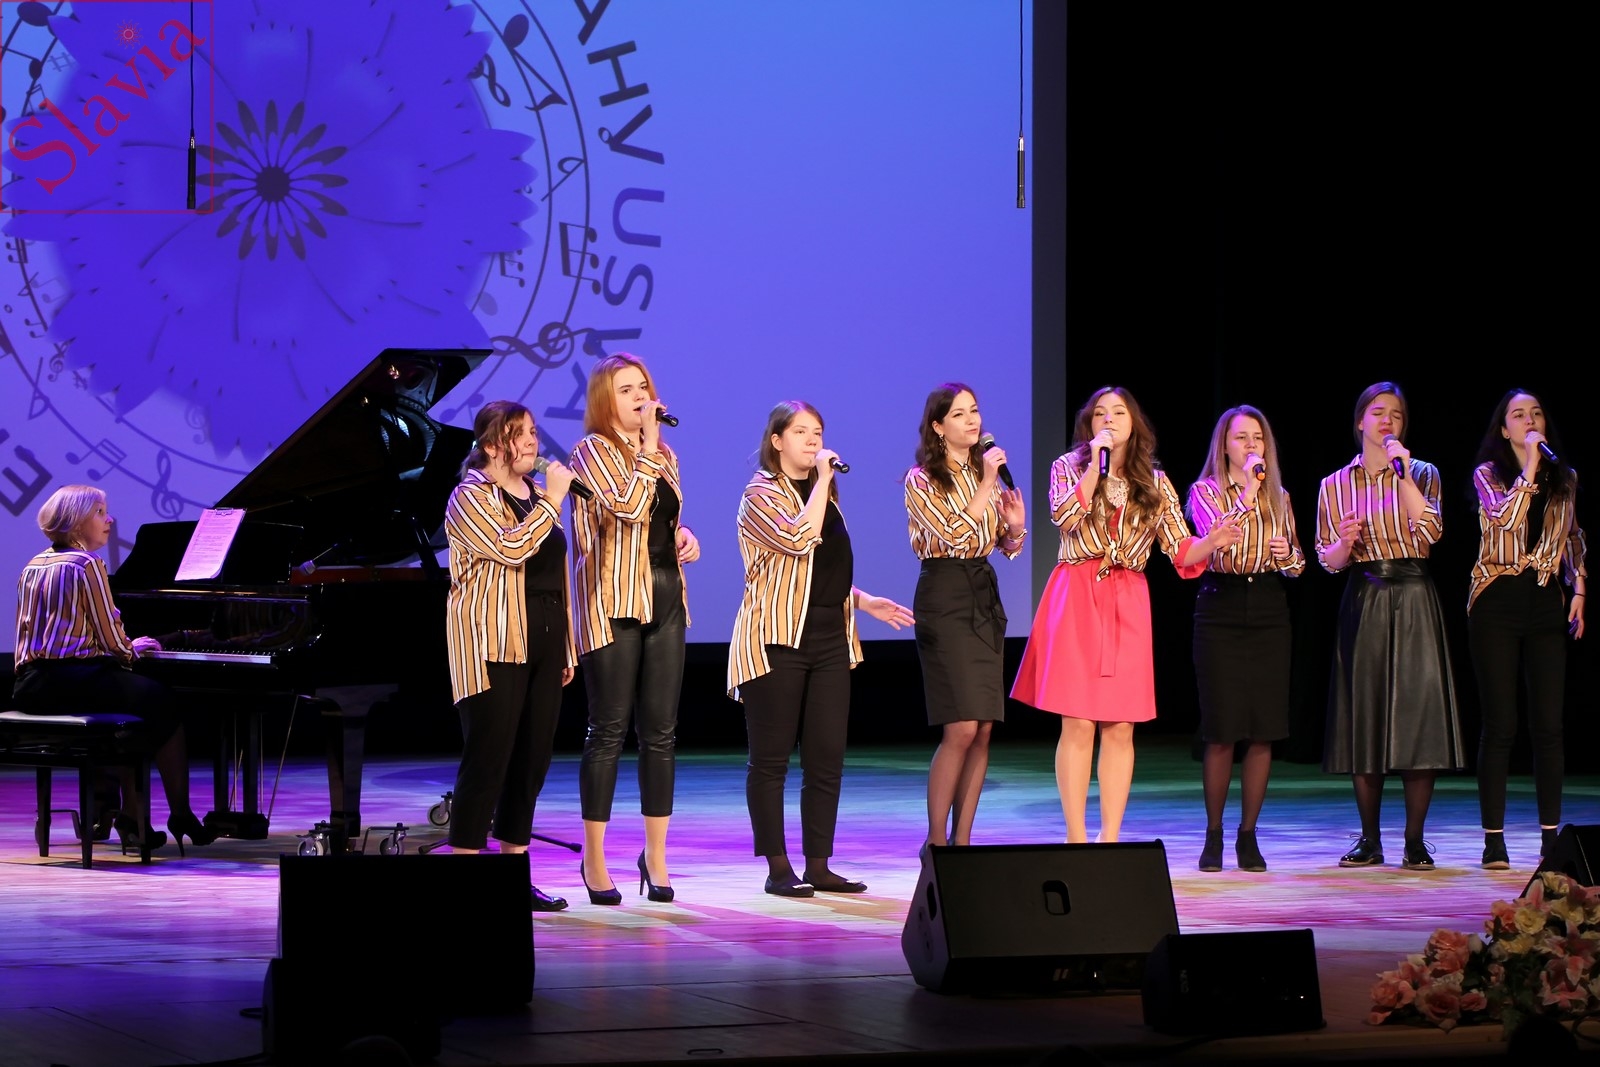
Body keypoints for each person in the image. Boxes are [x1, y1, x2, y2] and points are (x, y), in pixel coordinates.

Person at [1011, 386, 1235, 844]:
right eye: (1100, 414)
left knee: (1120, 725)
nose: (1109, 420)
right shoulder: (1068, 467)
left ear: (1134, 424)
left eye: (1118, 412)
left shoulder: (1155, 481)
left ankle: (1109, 838)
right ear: (1089, 425)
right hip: (1076, 594)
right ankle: (1076, 837)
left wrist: (1211, 542)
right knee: (1077, 721)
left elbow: (1180, 549)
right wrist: (1095, 467)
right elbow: (1064, 516)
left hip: (1126, 598)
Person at [730, 401, 914, 896]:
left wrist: (864, 600)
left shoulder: (822, 496)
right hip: (777, 639)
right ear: (777, 441)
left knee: (826, 756)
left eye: (818, 432)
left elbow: (818, 571)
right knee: (770, 760)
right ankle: (778, 867)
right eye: (801, 432)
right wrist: (824, 481)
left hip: (831, 636)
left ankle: (818, 864)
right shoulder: (760, 494)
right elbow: (798, 540)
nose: (813, 440)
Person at [12, 485, 216, 854]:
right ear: (77, 522)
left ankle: (132, 815)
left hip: (30, 685)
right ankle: (179, 813)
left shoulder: (34, 565)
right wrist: (131, 649)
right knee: (164, 703)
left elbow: (26, 633)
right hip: (74, 679)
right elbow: (111, 636)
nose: (109, 519)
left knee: (131, 709)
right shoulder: (87, 564)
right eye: (100, 512)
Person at [1315, 381, 1465, 871]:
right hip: (1365, 595)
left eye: (1396, 414)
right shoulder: (1334, 484)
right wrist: (1344, 542)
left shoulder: (1422, 473)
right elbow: (1328, 560)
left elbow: (1432, 531)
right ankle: (1369, 838)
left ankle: (1415, 840)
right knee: (1366, 716)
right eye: (1378, 412)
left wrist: (1403, 476)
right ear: (1360, 421)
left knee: (1418, 717)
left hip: (1415, 593)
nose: (1387, 421)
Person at [568, 353, 700, 904]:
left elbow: (658, 518)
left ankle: (656, 856)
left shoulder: (664, 455)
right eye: (626, 390)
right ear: (606, 399)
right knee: (608, 730)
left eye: (642, 386)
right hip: (613, 600)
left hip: (666, 594)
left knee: (661, 732)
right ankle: (594, 859)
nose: (640, 396)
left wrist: (684, 535)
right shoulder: (591, 452)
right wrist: (647, 446)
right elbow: (626, 506)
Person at [443, 401, 577, 911]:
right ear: (491, 444)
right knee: (489, 757)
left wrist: (566, 645)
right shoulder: (470, 495)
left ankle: (514, 872)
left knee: (531, 761)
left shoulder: (537, 496)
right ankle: (465, 875)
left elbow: (555, 573)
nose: (532, 443)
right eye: (519, 434)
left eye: (533, 432)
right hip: (493, 641)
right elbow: (510, 549)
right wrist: (553, 501)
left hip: (544, 637)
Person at [1467, 389, 1586, 870]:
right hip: (1496, 599)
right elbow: (1505, 521)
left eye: (1536, 413)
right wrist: (1532, 466)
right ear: (1504, 429)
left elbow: (1572, 536)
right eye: (1518, 415)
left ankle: (1550, 838)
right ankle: (1493, 840)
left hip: (1543, 600)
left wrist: (1580, 589)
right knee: (1501, 725)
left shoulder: (1565, 478)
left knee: (1549, 726)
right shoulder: (1488, 475)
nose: (1530, 420)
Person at [904, 383, 1026, 847]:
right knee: (960, 726)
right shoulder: (922, 479)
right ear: (938, 426)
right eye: (959, 414)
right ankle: (936, 843)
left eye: (974, 411)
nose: (972, 420)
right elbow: (954, 535)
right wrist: (988, 482)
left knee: (984, 728)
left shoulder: (980, 471)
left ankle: (963, 842)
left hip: (982, 595)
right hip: (944, 595)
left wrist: (1014, 529)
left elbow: (1002, 545)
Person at [1186, 405, 1305, 872]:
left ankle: (1248, 836)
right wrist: (1252, 491)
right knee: (1221, 730)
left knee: (1262, 729)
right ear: (1224, 446)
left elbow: (1298, 566)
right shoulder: (1204, 491)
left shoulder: (1281, 496)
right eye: (1241, 437)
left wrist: (1286, 553)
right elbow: (1220, 539)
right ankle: (1213, 834)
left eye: (1258, 437)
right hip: (1220, 607)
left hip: (1269, 608)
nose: (1252, 445)